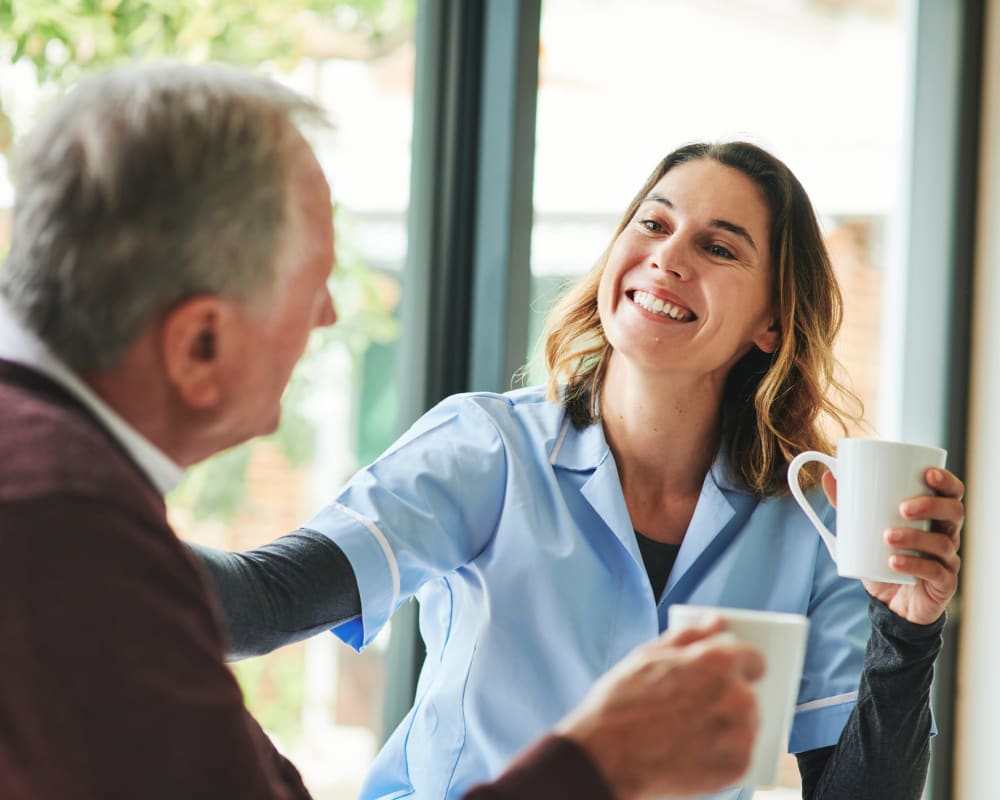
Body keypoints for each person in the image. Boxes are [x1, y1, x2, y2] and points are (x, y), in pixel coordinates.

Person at [0, 62, 770, 800]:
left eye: (719, 245)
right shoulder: (68, 533)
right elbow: (267, 596)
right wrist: (600, 768)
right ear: (200, 342)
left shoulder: (73, 511)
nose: (329, 315)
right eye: (311, 285)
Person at [194, 140, 966, 800]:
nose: (669, 254)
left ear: (772, 322)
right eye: (655, 223)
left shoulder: (808, 527)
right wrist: (95, 514)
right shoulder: (487, 448)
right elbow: (263, 600)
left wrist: (908, 628)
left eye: (719, 246)